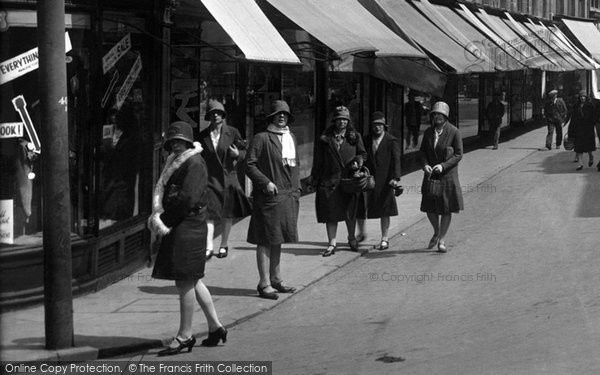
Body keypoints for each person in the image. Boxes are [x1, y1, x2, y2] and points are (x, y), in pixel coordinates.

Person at [148, 121, 227, 356]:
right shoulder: (176, 161)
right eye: (172, 142)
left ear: (188, 142)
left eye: (180, 141)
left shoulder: (194, 162)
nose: (176, 146)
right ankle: (215, 327)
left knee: (184, 281)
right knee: (192, 279)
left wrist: (164, 221)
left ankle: (185, 335)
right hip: (184, 226)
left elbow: (187, 199)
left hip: (188, 227)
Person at [245, 100, 299, 300]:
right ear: (271, 117)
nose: (282, 117)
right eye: (278, 114)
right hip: (268, 197)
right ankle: (264, 283)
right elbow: (249, 165)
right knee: (265, 239)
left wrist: (297, 189)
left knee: (279, 238)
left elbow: (295, 165)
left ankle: (276, 278)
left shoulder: (290, 137)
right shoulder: (262, 138)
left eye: (285, 114)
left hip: (287, 196)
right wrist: (266, 183)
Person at [310, 106, 367, 257]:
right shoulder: (325, 138)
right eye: (339, 119)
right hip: (329, 180)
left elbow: (362, 153)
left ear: (348, 121)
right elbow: (318, 160)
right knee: (331, 214)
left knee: (350, 213)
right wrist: (315, 178)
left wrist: (358, 162)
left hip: (349, 180)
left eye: (345, 119)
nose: (342, 122)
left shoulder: (354, 136)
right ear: (334, 120)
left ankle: (351, 238)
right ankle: (332, 243)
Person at [199, 100, 251, 260]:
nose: (216, 115)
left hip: (228, 178)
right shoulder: (203, 136)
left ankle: (224, 244)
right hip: (210, 179)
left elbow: (245, 151)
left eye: (219, 113)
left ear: (223, 115)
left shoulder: (233, 132)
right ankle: (208, 246)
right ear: (208, 116)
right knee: (209, 213)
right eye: (212, 113)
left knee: (228, 214)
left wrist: (238, 155)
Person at [419, 102, 464, 253]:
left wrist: (443, 166)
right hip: (431, 176)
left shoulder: (454, 131)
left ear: (446, 116)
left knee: (446, 209)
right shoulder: (428, 132)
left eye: (440, 114)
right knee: (429, 208)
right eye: (435, 114)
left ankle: (442, 240)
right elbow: (423, 152)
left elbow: (459, 154)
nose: (437, 117)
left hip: (447, 176)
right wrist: (425, 165)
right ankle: (437, 231)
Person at [357, 112, 402, 251]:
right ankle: (361, 233)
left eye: (380, 125)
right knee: (361, 207)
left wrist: (395, 178)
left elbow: (396, 160)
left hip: (385, 180)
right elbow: (362, 156)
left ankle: (384, 238)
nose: (377, 128)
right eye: (375, 125)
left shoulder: (391, 141)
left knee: (385, 210)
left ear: (384, 126)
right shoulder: (366, 139)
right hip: (368, 179)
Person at [100, 106, 140, 222]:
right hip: (120, 178)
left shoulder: (131, 137)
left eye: (117, 118)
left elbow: (124, 158)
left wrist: (110, 151)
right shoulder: (128, 134)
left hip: (121, 179)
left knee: (119, 207)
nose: (115, 121)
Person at [567, 91, 595, 171]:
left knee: (588, 147)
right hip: (578, 129)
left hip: (588, 129)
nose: (582, 98)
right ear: (579, 97)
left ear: (586, 97)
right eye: (581, 96)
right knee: (578, 147)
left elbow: (593, 117)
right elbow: (573, 118)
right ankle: (581, 164)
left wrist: (591, 124)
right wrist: (571, 129)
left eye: (584, 96)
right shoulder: (576, 106)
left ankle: (591, 157)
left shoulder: (590, 106)